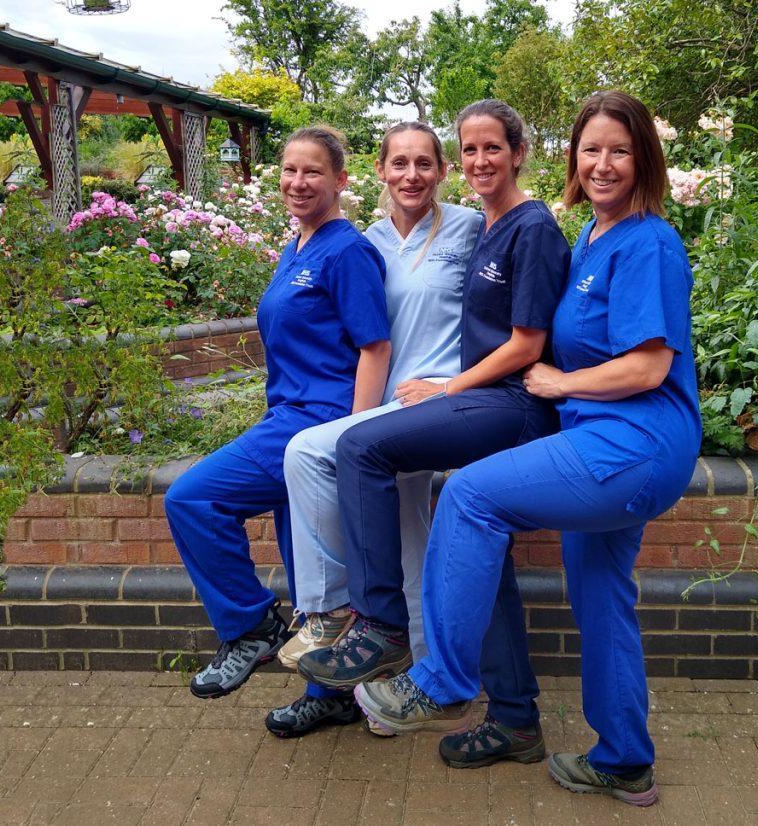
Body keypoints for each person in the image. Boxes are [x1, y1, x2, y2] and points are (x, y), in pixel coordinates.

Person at [352, 91, 701, 808]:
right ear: (573, 157)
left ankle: (441, 683)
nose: (602, 164)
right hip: (599, 440)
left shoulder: (649, 242)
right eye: (591, 149)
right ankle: (624, 760)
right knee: (600, 593)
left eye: (620, 150)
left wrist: (559, 380)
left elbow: (648, 366)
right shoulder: (595, 236)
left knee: (468, 496)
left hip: (633, 444)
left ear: (644, 160)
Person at [296, 99, 571, 768]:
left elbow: (528, 343)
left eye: (491, 148)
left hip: (505, 402)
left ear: (518, 153)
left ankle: (379, 627)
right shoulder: (491, 225)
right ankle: (515, 719)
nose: (479, 160)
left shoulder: (527, 226)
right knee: (478, 539)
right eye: (470, 149)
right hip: (475, 401)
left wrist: (448, 387)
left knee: (359, 447)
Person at [263, 122, 482, 737]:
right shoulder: (369, 242)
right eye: (399, 163)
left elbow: (499, 314)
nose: (412, 175)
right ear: (380, 172)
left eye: (424, 163)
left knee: (317, 462)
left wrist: (459, 386)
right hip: (386, 411)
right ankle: (396, 679)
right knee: (402, 543)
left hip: (439, 402)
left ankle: (346, 625)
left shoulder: (470, 228)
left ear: (442, 171)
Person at [164, 126, 392, 701]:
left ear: (340, 180)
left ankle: (250, 626)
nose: (298, 181)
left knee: (193, 499)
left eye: (313, 171)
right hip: (286, 418)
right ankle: (329, 700)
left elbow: (374, 348)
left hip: (316, 423)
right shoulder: (297, 246)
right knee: (310, 572)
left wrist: (348, 436)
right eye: (290, 170)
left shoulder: (347, 251)